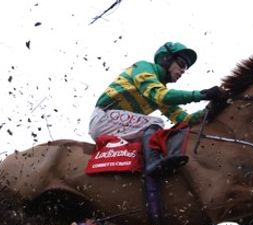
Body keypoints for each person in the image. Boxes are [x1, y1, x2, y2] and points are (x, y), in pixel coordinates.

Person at [88, 41, 225, 176]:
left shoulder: (160, 89)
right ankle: (154, 163)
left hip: (117, 124)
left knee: (158, 141)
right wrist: (201, 94)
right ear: (166, 59)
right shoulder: (143, 67)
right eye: (182, 64)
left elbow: (184, 120)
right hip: (104, 118)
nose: (183, 71)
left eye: (186, 68)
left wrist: (210, 110)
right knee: (156, 122)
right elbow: (162, 96)